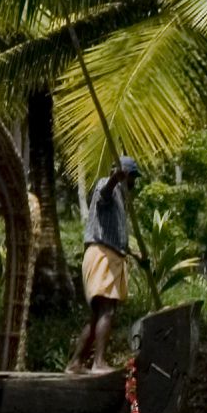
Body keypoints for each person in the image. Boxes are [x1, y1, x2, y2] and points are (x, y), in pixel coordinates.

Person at [71, 157, 139, 373]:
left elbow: (115, 234)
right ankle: (98, 363)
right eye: (132, 178)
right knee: (107, 310)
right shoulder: (108, 185)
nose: (134, 184)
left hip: (108, 253)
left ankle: (75, 362)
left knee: (99, 313)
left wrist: (136, 255)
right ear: (125, 175)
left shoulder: (122, 200)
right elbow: (103, 195)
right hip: (102, 255)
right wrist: (113, 179)